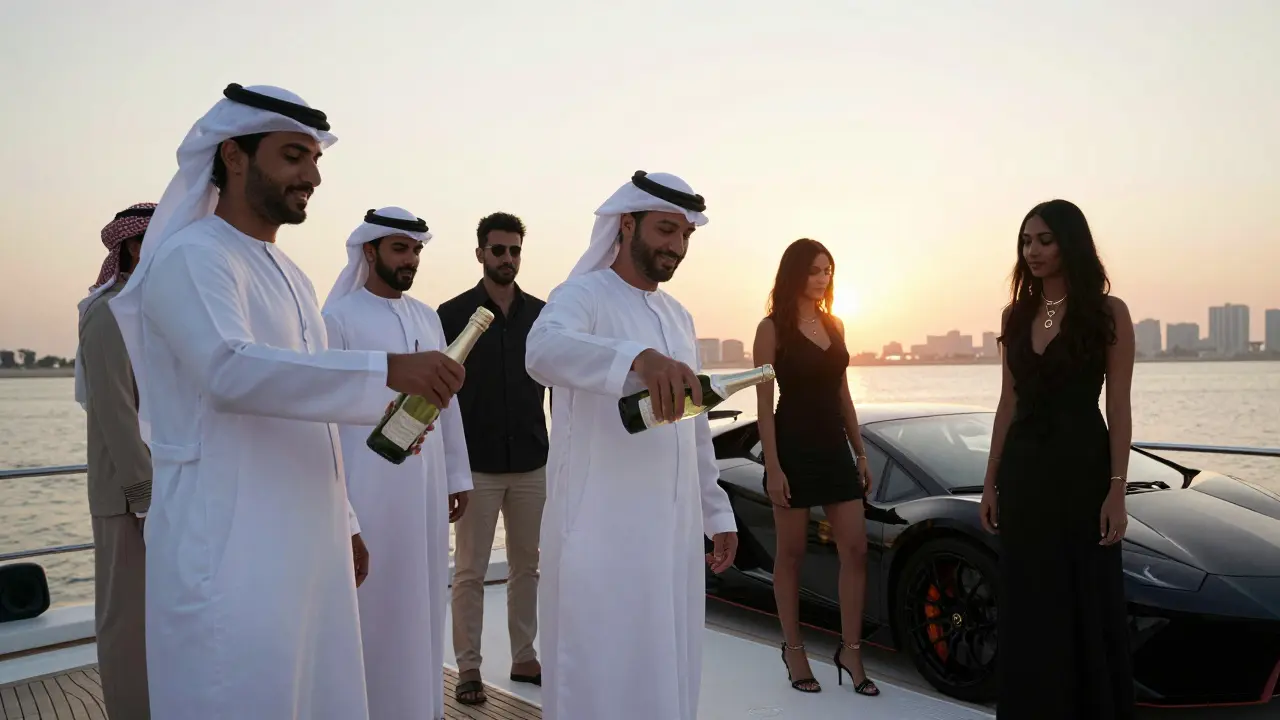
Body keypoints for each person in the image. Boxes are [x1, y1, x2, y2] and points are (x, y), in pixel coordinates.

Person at [106, 83, 466, 719]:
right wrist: (389, 371)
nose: (313, 175)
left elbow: (315, 411)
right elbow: (229, 370)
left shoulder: (289, 274)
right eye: (294, 156)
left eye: (316, 159)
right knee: (240, 694)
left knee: (315, 695)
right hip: (230, 538)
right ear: (235, 156)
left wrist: (347, 523)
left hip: (309, 539)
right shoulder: (193, 257)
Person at [524, 170, 739, 720]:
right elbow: (542, 351)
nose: (677, 246)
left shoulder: (678, 315)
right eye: (667, 230)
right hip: (600, 533)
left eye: (686, 235)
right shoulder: (582, 295)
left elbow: (694, 423)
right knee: (599, 673)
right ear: (627, 224)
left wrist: (717, 512)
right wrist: (636, 359)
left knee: (664, 669)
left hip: (671, 535)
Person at [980, 199, 1136, 719]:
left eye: (1045, 240)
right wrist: (990, 480)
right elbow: (1008, 403)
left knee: (1084, 596)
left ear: (1071, 242)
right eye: (1026, 241)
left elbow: (1118, 406)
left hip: (1083, 472)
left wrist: (1117, 487)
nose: (1033, 251)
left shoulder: (1109, 314)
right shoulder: (1014, 315)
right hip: (1025, 475)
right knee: (1030, 600)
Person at [321, 206, 473, 720]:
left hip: (426, 493)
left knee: (424, 602)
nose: (410, 260)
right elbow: (325, 418)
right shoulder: (337, 320)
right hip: (368, 492)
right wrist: (344, 513)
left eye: (416, 251)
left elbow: (446, 400)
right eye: (400, 249)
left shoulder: (427, 317)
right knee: (376, 607)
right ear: (370, 250)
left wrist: (457, 474)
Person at [751, 238, 879, 697]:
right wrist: (774, 467)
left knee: (856, 549)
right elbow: (764, 407)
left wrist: (861, 453)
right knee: (791, 555)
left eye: (828, 270)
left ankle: (850, 649)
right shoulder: (771, 330)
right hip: (793, 446)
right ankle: (794, 649)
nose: (822, 278)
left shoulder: (836, 324)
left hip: (833, 447)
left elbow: (843, 394)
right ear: (794, 274)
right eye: (813, 270)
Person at [439, 211, 548, 706]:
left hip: (531, 461)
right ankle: (468, 668)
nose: (507, 258)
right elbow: (436, 396)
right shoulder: (450, 314)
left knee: (528, 566)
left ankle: (525, 656)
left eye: (515, 250)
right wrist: (447, 469)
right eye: (498, 249)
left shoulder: (544, 316)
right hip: (476, 464)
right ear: (480, 252)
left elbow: (559, 390)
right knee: (470, 571)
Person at [75, 201, 157, 719]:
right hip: (128, 496)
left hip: (165, 490)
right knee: (126, 622)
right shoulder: (108, 311)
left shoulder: (156, 306)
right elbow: (115, 412)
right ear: (131, 246)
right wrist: (146, 496)